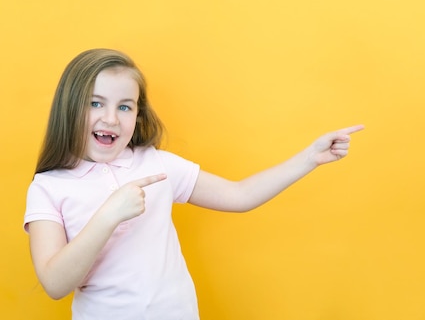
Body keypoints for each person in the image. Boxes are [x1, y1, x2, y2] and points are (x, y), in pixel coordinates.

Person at [24, 48, 364, 320]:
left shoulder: (156, 163)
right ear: (68, 108)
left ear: (136, 116)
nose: (111, 118)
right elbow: (55, 283)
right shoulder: (48, 187)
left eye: (124, 106)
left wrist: (309, 158)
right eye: (96, 103)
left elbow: (239, 194)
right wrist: (109, 216)